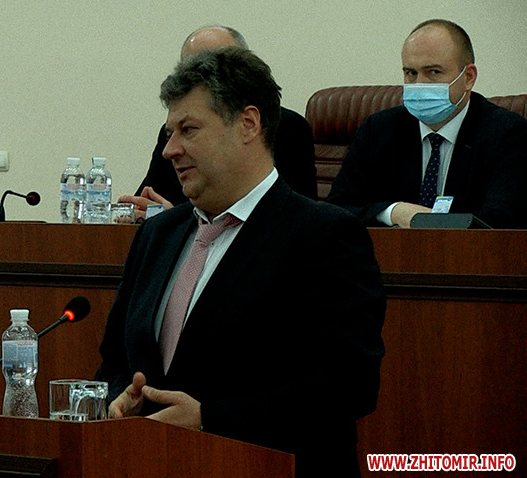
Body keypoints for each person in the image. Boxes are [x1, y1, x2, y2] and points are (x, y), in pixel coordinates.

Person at [95, 46, 386, 477]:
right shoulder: (157, 235)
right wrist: (122, 398)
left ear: (248, 124)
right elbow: (116, 359)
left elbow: (350, 384)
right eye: (169, 133)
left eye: (188, 129)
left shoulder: (325, 236)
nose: (170, 150)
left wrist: (209, 417)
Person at [327, 19, 527, 229]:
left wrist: (431, 223)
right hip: (390, 249)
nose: (419, 84)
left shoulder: (509, 135)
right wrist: (394, 212)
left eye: (433, 72)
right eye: (411, 73)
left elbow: (500, 224)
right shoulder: (377, 130)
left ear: (468, 77)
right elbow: (336, 211)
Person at [121, 26, 318, 219]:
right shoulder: (173, 137)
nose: (171, 150)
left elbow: (294, 215)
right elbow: (145, 201)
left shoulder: (288, 128)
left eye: (217, 65)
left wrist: (175, 221)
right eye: (191, 67)